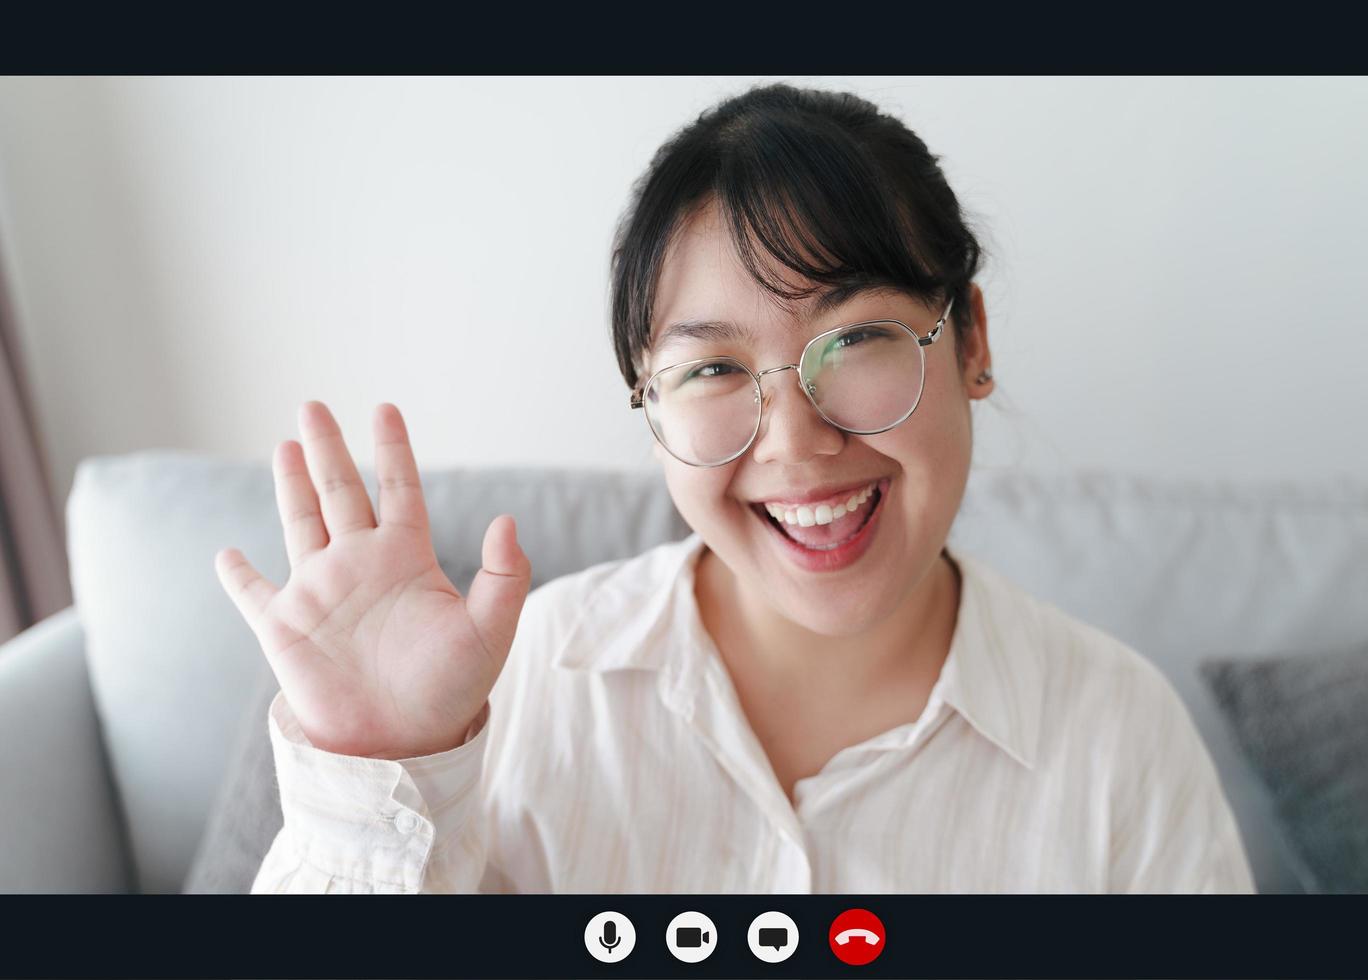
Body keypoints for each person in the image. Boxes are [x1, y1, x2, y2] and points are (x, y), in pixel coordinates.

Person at [215, 82, 1255, 893]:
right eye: (713, 368)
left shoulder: (1119, 732)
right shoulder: (523, 683)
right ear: (649, 401)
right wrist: (379, 762)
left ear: (971, 339)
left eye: (856, 338)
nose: (797, 445)